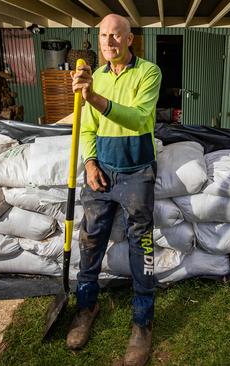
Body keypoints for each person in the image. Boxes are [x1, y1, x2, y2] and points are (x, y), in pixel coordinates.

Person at [68, 13, 162, 366]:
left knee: (143, 245)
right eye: (103, 36)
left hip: (137, 173)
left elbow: (139, 119)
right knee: (90, 240)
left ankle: (143, 322)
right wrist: (90, 163)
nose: (108, 42)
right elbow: (89, 128)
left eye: (115, 36)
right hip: (102, 173)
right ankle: (86, 307)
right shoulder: (97, 78)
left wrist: (93, 97)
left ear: (129, 39)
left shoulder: (148, 73)